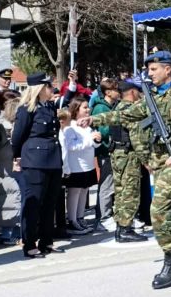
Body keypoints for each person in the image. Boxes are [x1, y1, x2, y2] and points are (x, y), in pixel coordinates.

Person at [81, 51, 171, 288]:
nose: (150, 73)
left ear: (168, 69)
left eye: (154, 69)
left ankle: (170, 262)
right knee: (169, 212)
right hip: (160, 161)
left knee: (158, 210)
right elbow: (127, 113)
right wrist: (95, 120)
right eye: (149, 69)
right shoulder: (153, 97)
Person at [11, 72, 63, 258]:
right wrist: (17, 157)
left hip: (53, 159)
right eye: (48, 86)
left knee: (50, 202)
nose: (51, 89)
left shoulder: (49, 107)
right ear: (39, 88)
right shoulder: (27, 109)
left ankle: (46, 241)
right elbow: (18, 136)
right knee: (33, 203)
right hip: (35, 160)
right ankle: (30, 243)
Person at [107, 80, 148, 243]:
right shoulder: (130, 110)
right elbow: (136, 137)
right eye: (137, 91)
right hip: (128, 154)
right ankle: (125, 228)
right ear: (132, 92)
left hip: (117, 153)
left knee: (120, 191)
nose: (139, 94)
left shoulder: (117, 107)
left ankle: (121, 227)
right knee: (130, 191)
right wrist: (145, 159)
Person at [61, 98, 100, 234]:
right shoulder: (70, 127)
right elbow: (71, 146)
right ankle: (72, 220)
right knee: (75, 192)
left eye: (88, 107)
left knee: (84, 191)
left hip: (88, 165)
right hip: (76, 166)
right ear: (76, 110)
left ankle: (80, 217)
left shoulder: (87, 127)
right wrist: (90, 140)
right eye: (85, 107)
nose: (88, 109)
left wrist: (97, 140)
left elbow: (92, 144)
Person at [0, 91, 22, 245]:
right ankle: (8, 233)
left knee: (15, 195)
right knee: (9, 195)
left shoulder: (8, 119)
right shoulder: (0, 120)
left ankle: (16, 231)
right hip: (4, 164)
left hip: (9, 163)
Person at [89, 79, 120, 227]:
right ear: (108, 92)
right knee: (106, 185)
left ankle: (108, 214)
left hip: (112, 150)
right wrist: (118, 126)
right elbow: (103, 131)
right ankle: (103, 217)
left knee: (111, 184)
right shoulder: (101, 108)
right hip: (106, 150)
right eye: (116, 89)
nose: (118, 92)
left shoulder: (113, 106)